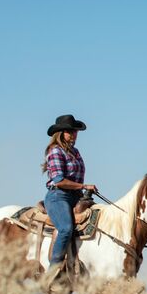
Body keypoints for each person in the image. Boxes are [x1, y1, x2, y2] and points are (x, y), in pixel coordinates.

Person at [42, 114, 96, 281]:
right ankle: (53, 272)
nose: (73, 134)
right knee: (66, 228)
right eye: (69, 131)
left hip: (75, 196)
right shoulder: (55, 151)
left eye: (75, 131)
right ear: (60, 133)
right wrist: (83, 186)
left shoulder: (75, 152)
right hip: (58, 197)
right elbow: (58, 180)